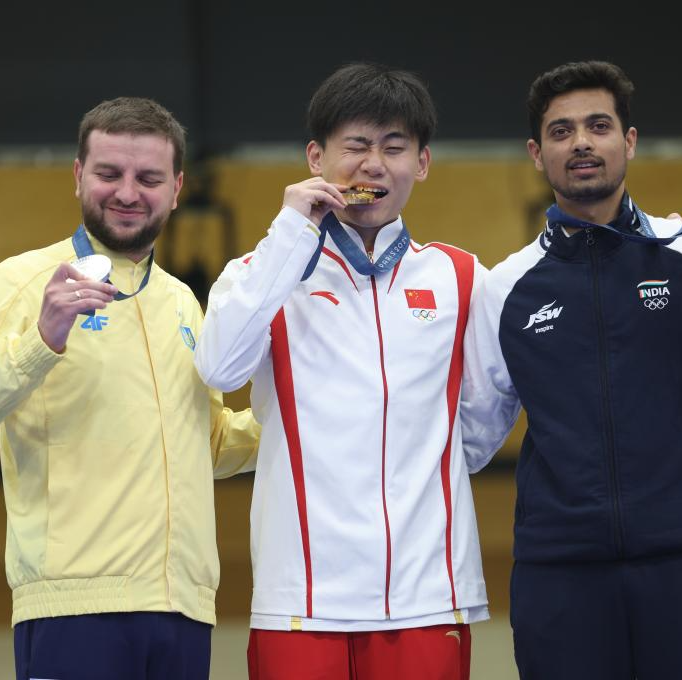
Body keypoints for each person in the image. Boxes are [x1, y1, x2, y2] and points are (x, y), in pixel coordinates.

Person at [461, 61, 682, 679]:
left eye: (598, 126)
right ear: (536, 154)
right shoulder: (505, 288)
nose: (581, 142)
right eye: (561, 131)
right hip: (562, 578)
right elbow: (468, 443)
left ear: (629, 141)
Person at [0, 97, 260, 680]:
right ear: (79, 175)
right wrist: (41, 340)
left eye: (148, 178)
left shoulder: (183, 302)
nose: (127, 193)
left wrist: (300, 415)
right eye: (109, 173)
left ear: (176, 189)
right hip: (73, 609)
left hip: (185, 608)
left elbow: (206, 444)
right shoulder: (22, 281)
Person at [194, 63, 488, 680]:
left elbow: (483, 425)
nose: (372, 165)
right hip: (300, 597)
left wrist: (421, 469)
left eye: (394, 148)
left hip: (427, 593)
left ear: (423, 163)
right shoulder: (260, 273)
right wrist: (290, 234)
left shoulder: (461, 277)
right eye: (355, 146)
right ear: (316, 159)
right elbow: (218, 368)